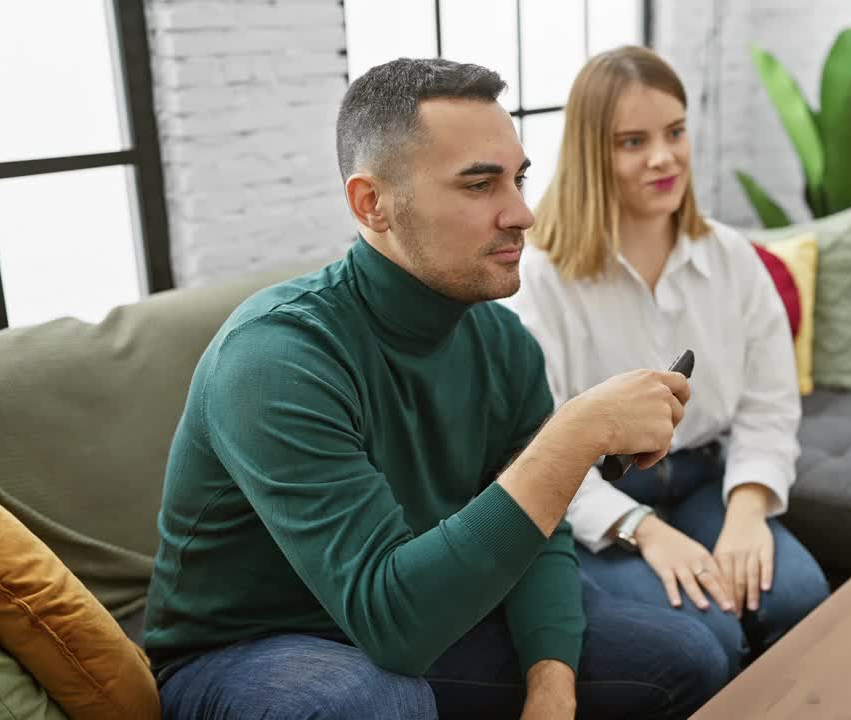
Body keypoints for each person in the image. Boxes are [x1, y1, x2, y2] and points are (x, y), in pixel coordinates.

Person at [143, 57, 728, 720]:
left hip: (428, 606)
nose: (522, 214)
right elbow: (395, 625)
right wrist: (576, 432)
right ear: (373, 204)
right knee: (371, 699)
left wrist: (551, 690)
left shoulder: (503, 344)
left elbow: (534, 543)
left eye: (518, 178)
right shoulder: (276, 358)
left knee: (687, 656)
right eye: (481, 186)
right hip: (247, 652)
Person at [505, 46, 831, 678]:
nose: (664, 157)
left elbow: (769, 406)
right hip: (597, 497)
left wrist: (746, 514)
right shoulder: (539, 280)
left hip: (708, 481)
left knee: (799, 600)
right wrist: (643, 531)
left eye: (675, 132)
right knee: (707, 632)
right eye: (633, 141)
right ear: (591, 153)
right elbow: (537, 452)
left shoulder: (733, 258)